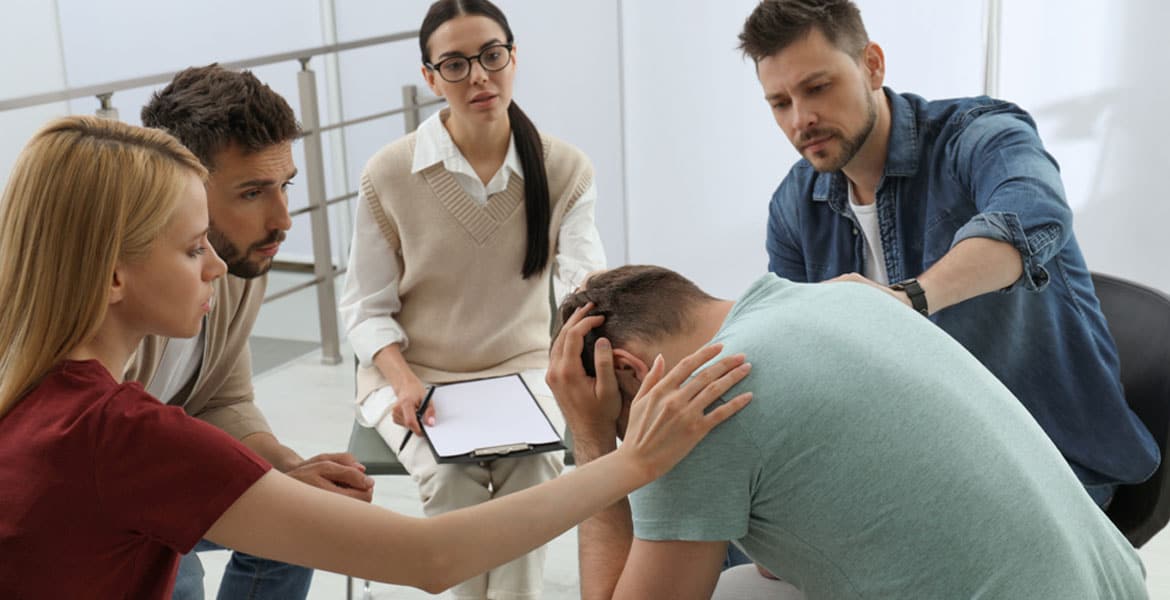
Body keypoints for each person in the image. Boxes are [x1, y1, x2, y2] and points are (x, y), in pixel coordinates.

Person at [0, 117, 751, 600]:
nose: (218, 268)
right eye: (193, 248)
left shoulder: (35, 396)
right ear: (111, 273)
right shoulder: (122, 432)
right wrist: (629, 462)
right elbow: (430, 559)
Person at [743, 0, 1157, 506]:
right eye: (780, 103)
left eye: (818, 87)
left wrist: (908, 299)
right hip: (911, 460)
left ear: (872, 65)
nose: (801, 119)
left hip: (1049, 466)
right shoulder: (795, 204)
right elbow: (794, 350)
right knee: (718, 525)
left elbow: (1032, 216)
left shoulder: (981, 134)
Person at [546, 265, 1149, 600]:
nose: (637, 442)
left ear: (623, 369)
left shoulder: (694, 404)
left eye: (620, 422)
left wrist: (593, 439)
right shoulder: (845, 298)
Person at [339, 1, 606, 598]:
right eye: (455, 65)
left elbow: (584, 282)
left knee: (536, 471)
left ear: (514, 56)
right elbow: (364, 304)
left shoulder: (564, 169)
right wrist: (403, 380)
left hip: (520, 370)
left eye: (491, 56)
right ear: (430, 77)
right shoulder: (390, 172)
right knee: (452, 481)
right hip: (413, 376)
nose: (479, 76)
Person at [130, 64, 371, 600]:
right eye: (252, 193)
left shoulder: (237, 261)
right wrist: (263, 486)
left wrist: (290, 469)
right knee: (176, 568)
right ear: (178, 185)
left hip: (156, 480)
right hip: (95, 505)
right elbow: (103, 467)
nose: (283, 219)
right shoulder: (117, 286)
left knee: (304, 521)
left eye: (284, 186)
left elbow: (223, 398)